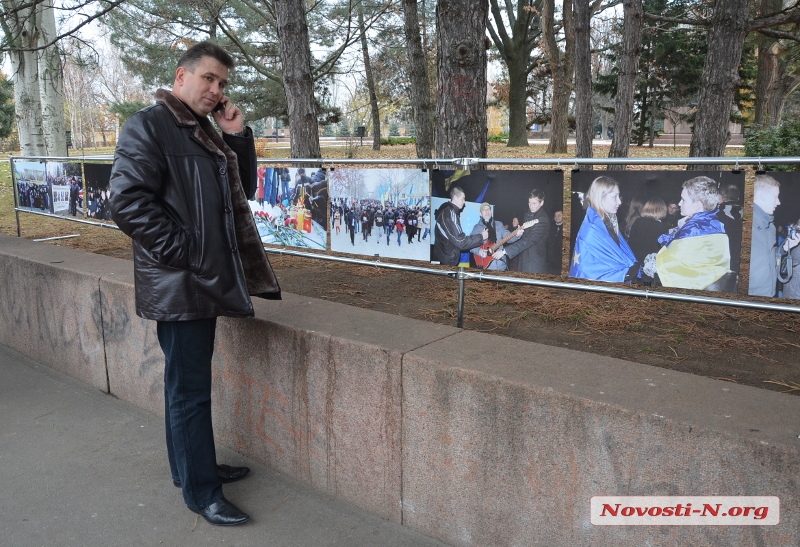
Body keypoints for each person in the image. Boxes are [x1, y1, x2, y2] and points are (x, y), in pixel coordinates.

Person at [108, 41, 282, 527]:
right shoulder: (150, 125)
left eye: (222, 83)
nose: (216, 89)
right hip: (181, 283)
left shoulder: (202, 128)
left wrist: (238, 136)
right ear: (181, 76)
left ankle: (191, 469)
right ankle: (202, 493)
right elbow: (126, 202)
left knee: (184, 386)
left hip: (198, 281)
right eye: (208, 78)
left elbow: (239, 192)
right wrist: (188, 252)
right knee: (190, 391)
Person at [651, 176, 731, 290]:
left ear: (697, 205)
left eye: (683, 200)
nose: (679, 203)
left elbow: (672, 264)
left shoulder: (695, 229)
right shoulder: (711, 222)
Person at [569, 176, 638, 282]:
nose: (619, 201)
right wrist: (623, 275)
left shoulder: (606, 223)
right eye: (615, 197)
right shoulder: (592, 229)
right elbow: (586, 270)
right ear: (601, 197)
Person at [749, 174, 800, 296]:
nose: (779, 202)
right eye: (776, 197)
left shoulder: (770, 226)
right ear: (761, 196)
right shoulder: (748, 224)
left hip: (768, 292)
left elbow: (768, 257)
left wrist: (784, 248)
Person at [433, 186, 488, 265]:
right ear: (455, 198)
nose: (464, 202)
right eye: (463, 198)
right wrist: (481, 237)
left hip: (444, 257)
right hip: (447, 262)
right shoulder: (449, 215)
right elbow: (461, 242)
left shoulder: (449, 212)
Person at [503, 189, 551, 273]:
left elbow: (529, 240)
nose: (531, 206)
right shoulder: (528, 214)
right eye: (529, 203)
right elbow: (525, 235)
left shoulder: (543, 219)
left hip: (534, 263)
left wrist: (505, 251)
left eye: (534, 203)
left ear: (541, 203)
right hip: (523, 259)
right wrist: (518, 233)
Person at [469, 202, 520, 271]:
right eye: (484, 209)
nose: (487, 211)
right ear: (480, 213)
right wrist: (479, 251)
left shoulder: (499, 224)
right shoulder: (477, 228)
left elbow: (508, 237)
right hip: (486, 268)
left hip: (501, 265)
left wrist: (517, 234)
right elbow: (470, 245)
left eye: (488, 209)